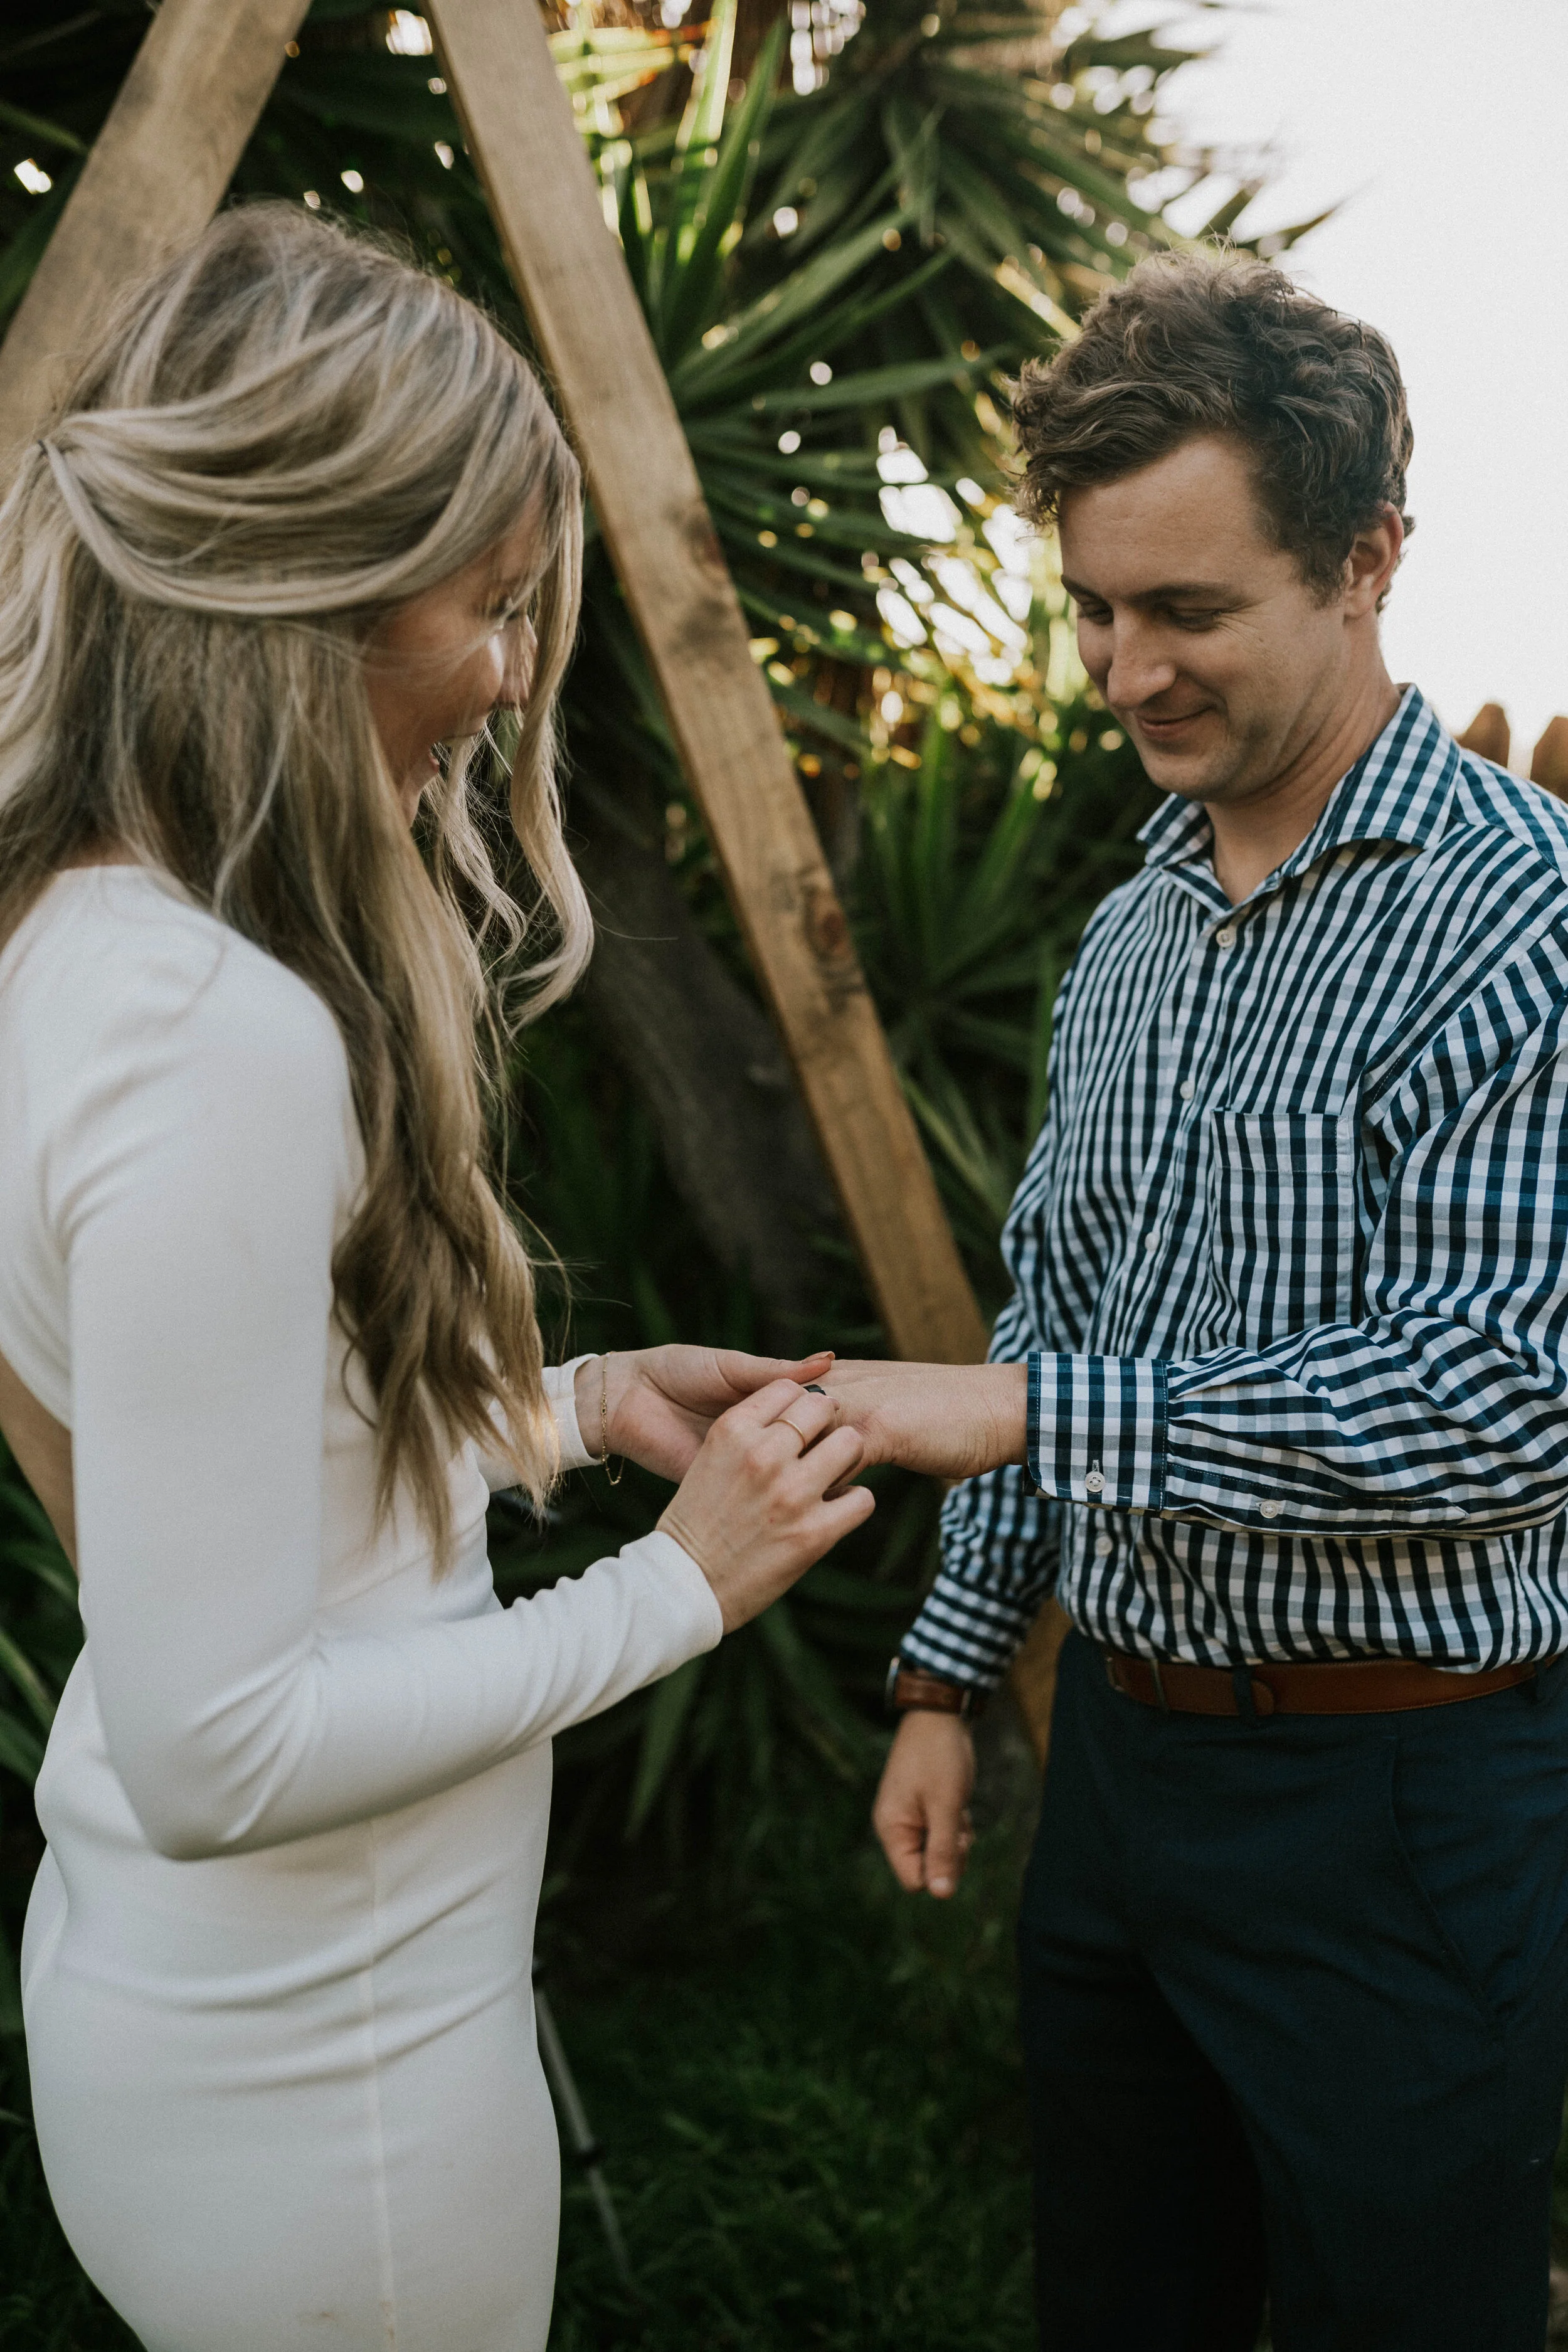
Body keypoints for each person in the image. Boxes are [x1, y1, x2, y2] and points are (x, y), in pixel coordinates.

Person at [0, 203, 873, 2352]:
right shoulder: (224, 1026)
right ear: (301, 586)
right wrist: (677, 1582)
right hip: (334, 2108)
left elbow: (179, 1461)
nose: (506, 679)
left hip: (214, 2036)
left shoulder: (69, 942)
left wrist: (547, 1410)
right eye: (486, 609)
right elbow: (224, 1749)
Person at [825, 253, 1568, 2351]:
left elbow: (1503, 1405)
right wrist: (948, 1677)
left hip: (1404, 1818)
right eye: (1090, 608)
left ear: (1366, 560)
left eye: (1188, 611)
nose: (1122, 670)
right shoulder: (1134, 926)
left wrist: (1035, 1421)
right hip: (1123, 1794)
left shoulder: (1526, 927)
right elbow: (1056, 1296)